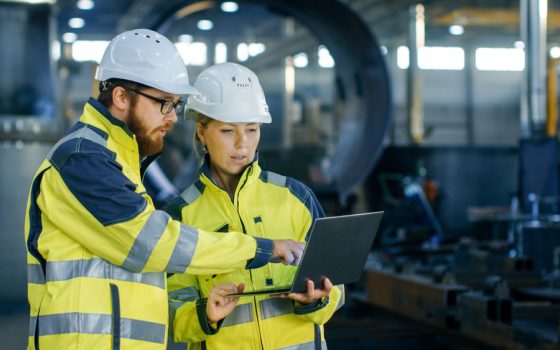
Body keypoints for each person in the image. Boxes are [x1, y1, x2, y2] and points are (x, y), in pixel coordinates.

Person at [23, 29, 304, 350]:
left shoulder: (118, 159)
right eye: (164, 103)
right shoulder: (83, 158)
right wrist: (260, 249)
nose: (172, 118)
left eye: (176, 105)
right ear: (120, 97)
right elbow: (152, 243)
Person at [166, 62, 345, 350]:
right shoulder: (180, 216)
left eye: (251, 129)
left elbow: (336, 285)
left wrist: (319, 298)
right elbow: (171, 311)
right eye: (227, 131)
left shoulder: (295, 197)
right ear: (201, 133)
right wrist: (205, 315)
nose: (242, 144)